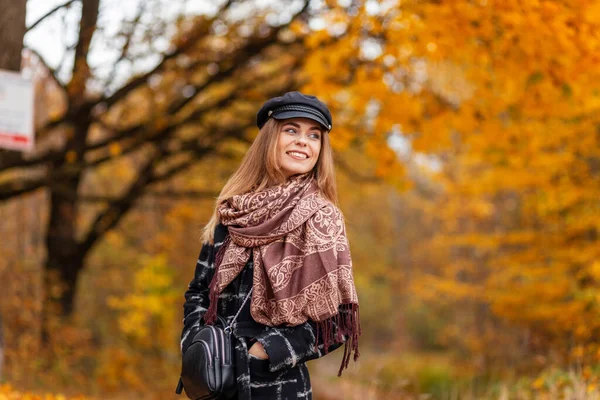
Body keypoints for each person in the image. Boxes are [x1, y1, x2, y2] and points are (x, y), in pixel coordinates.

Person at [180, 91, 361, 400]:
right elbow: (199, 290)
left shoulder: (323, 219)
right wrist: (196, 342)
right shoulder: (233, 212)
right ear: (269, 138)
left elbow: (337, 321)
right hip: (216, 383)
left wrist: (265, 352)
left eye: (314, 135)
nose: (303, 141)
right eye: (292, 130)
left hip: (278, 388)